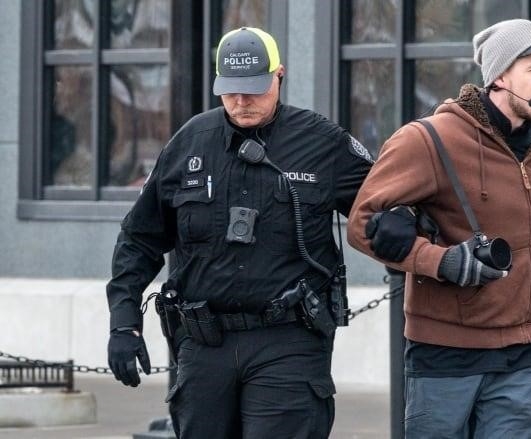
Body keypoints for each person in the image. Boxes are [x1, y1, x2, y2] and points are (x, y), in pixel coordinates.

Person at [105, 26, 373, 438]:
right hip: (203, 345)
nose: (242, 100)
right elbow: (139, 239)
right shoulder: (190, 143)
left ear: (278, 76)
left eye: (254, 88)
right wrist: (124, 323)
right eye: (230, 90)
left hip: (289, 342)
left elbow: (384, 204)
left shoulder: (324, 143)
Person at [347, 19, 531, 438]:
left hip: (525, 355)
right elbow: (363, 225)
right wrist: (441, 262)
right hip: (446, 356)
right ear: (499, 76)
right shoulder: (428, 140)